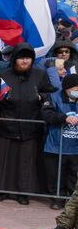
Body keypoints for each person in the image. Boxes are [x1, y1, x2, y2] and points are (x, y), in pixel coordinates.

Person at [0, 45, 51, 205]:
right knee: (3, 161)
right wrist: (1, 99)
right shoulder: (4, 75)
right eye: (21, 57)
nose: (25, 61)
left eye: (28, 58)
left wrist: (40, 96)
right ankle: (0, 191)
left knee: (25, 162)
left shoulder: (40, 75)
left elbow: (50, 94)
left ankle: (22, 193)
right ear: (14, 59)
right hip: (7, 125)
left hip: (30, 126)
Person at [41, 74, 78, 209]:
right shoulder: (54, 97)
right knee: (55, 175)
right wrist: (63, 118)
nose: (76, 92)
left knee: (73, 176)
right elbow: (47, 114)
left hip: (75, 147)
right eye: (74, 89)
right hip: (56, 145)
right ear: (67, 88)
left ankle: (72, 200)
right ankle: (58, 199)